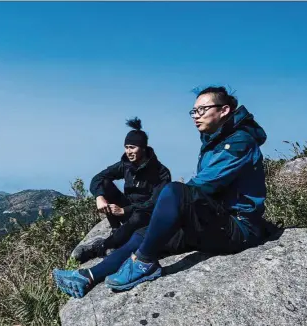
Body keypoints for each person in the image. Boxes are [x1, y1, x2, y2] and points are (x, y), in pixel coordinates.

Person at [53, 86, 272, 298]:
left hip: (238, 228)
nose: (196, 116)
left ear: (224, 110)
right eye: (193, 111)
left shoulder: (239, 142)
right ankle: (88, 276)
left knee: (175, 192)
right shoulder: (215, 140)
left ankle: (144, 264)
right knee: (143, 233)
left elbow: (205, 185)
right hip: (216, 220)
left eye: (202, 110)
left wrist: (172, 203)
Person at [73, 117, 171, 263]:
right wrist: (99, 197)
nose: (128, 152)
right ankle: (115, 230)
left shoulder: (161, 172)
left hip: (145, 216)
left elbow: (154, 203)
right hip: (127, 210)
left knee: (138, 217)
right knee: (105, 184)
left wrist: (125, 210)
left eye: (132, 147)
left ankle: (102, 246)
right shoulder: (125, 165)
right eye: (126, 147)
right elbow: (98, 178)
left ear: (143, 148)